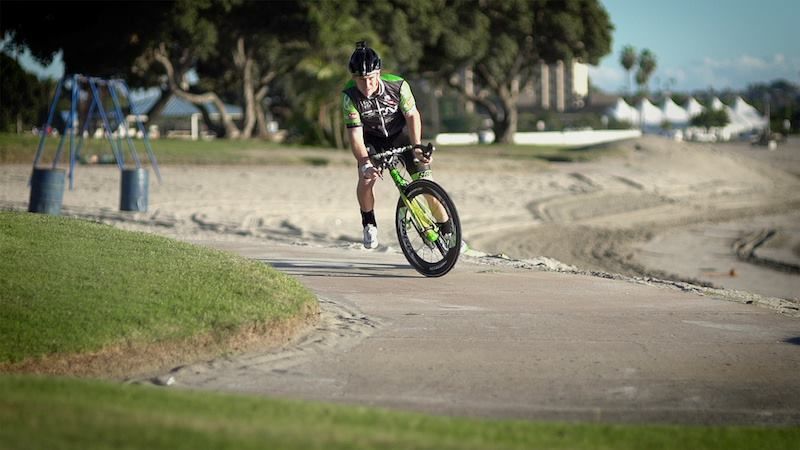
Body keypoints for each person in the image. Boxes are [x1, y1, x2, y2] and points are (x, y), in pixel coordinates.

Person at [342, 41, 444, 249]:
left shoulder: (398, 85)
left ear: (378, 73)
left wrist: (416, 146)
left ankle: (449, 231)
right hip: (373, 141)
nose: (367, 85)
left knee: (429, 187)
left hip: (401, 135)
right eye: (361, 80)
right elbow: (355, 134)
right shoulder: (349, 96)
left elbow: (412, 115)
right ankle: (369, 223)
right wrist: (364, 163)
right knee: (366, 179)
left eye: (370, 78)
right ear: (354, 78)